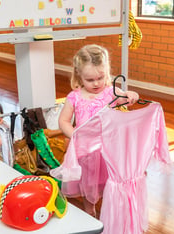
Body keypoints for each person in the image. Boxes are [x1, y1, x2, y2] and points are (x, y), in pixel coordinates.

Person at [59, 44, 139, 217]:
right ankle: (90, 209)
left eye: (100, 78)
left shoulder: (111, 93)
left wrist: (133, 95)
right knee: (89, 183)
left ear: (107, 73)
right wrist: (74, 134)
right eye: (90, 80)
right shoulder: (75, 97)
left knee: (110, 181)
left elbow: (128, 98)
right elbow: (64, 121)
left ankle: (113, 207)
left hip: (108, 150)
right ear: (79, 76)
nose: (96, 83)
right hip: (86, 152)